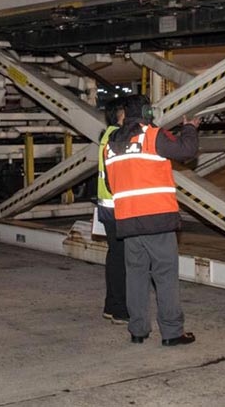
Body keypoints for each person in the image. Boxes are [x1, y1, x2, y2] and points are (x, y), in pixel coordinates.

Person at [103, 94, 199, 346]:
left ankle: (137, 330)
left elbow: (109, 184)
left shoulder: (110, 144)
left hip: (127, 221)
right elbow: (187, 151)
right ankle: (171, 332)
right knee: (165, 275)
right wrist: (190, 128)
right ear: (146, 112)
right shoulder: (152, 135)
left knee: (135, 276)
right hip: (156, 219)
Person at [96, 99, 128, 324]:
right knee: (123, 261)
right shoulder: (117, 138)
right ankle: (120, 310)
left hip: (108, 207)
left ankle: (111, 305)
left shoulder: (107, 136)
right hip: (118, 208)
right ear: (119, 115)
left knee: (115, 257)